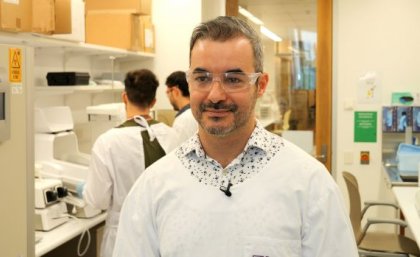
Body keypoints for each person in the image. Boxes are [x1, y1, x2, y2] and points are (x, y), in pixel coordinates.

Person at [113, 16, 358, 257]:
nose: (215, 95)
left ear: (260, 85)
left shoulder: (310, 184)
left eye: (233, 79)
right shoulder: (153, 187)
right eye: (202, 78)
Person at [82, 69, 178, 257]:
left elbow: (97, 200)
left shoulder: (107, 142)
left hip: (121, 239)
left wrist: (82, 190)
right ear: (153, 102)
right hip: (163, 234)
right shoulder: (172, 136)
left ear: (124, 97)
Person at [165, 71, 198, 143]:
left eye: (167, 92)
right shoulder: (197, 113)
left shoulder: (183, 120)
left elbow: (175, 151)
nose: (167, 97)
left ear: (175, 91)